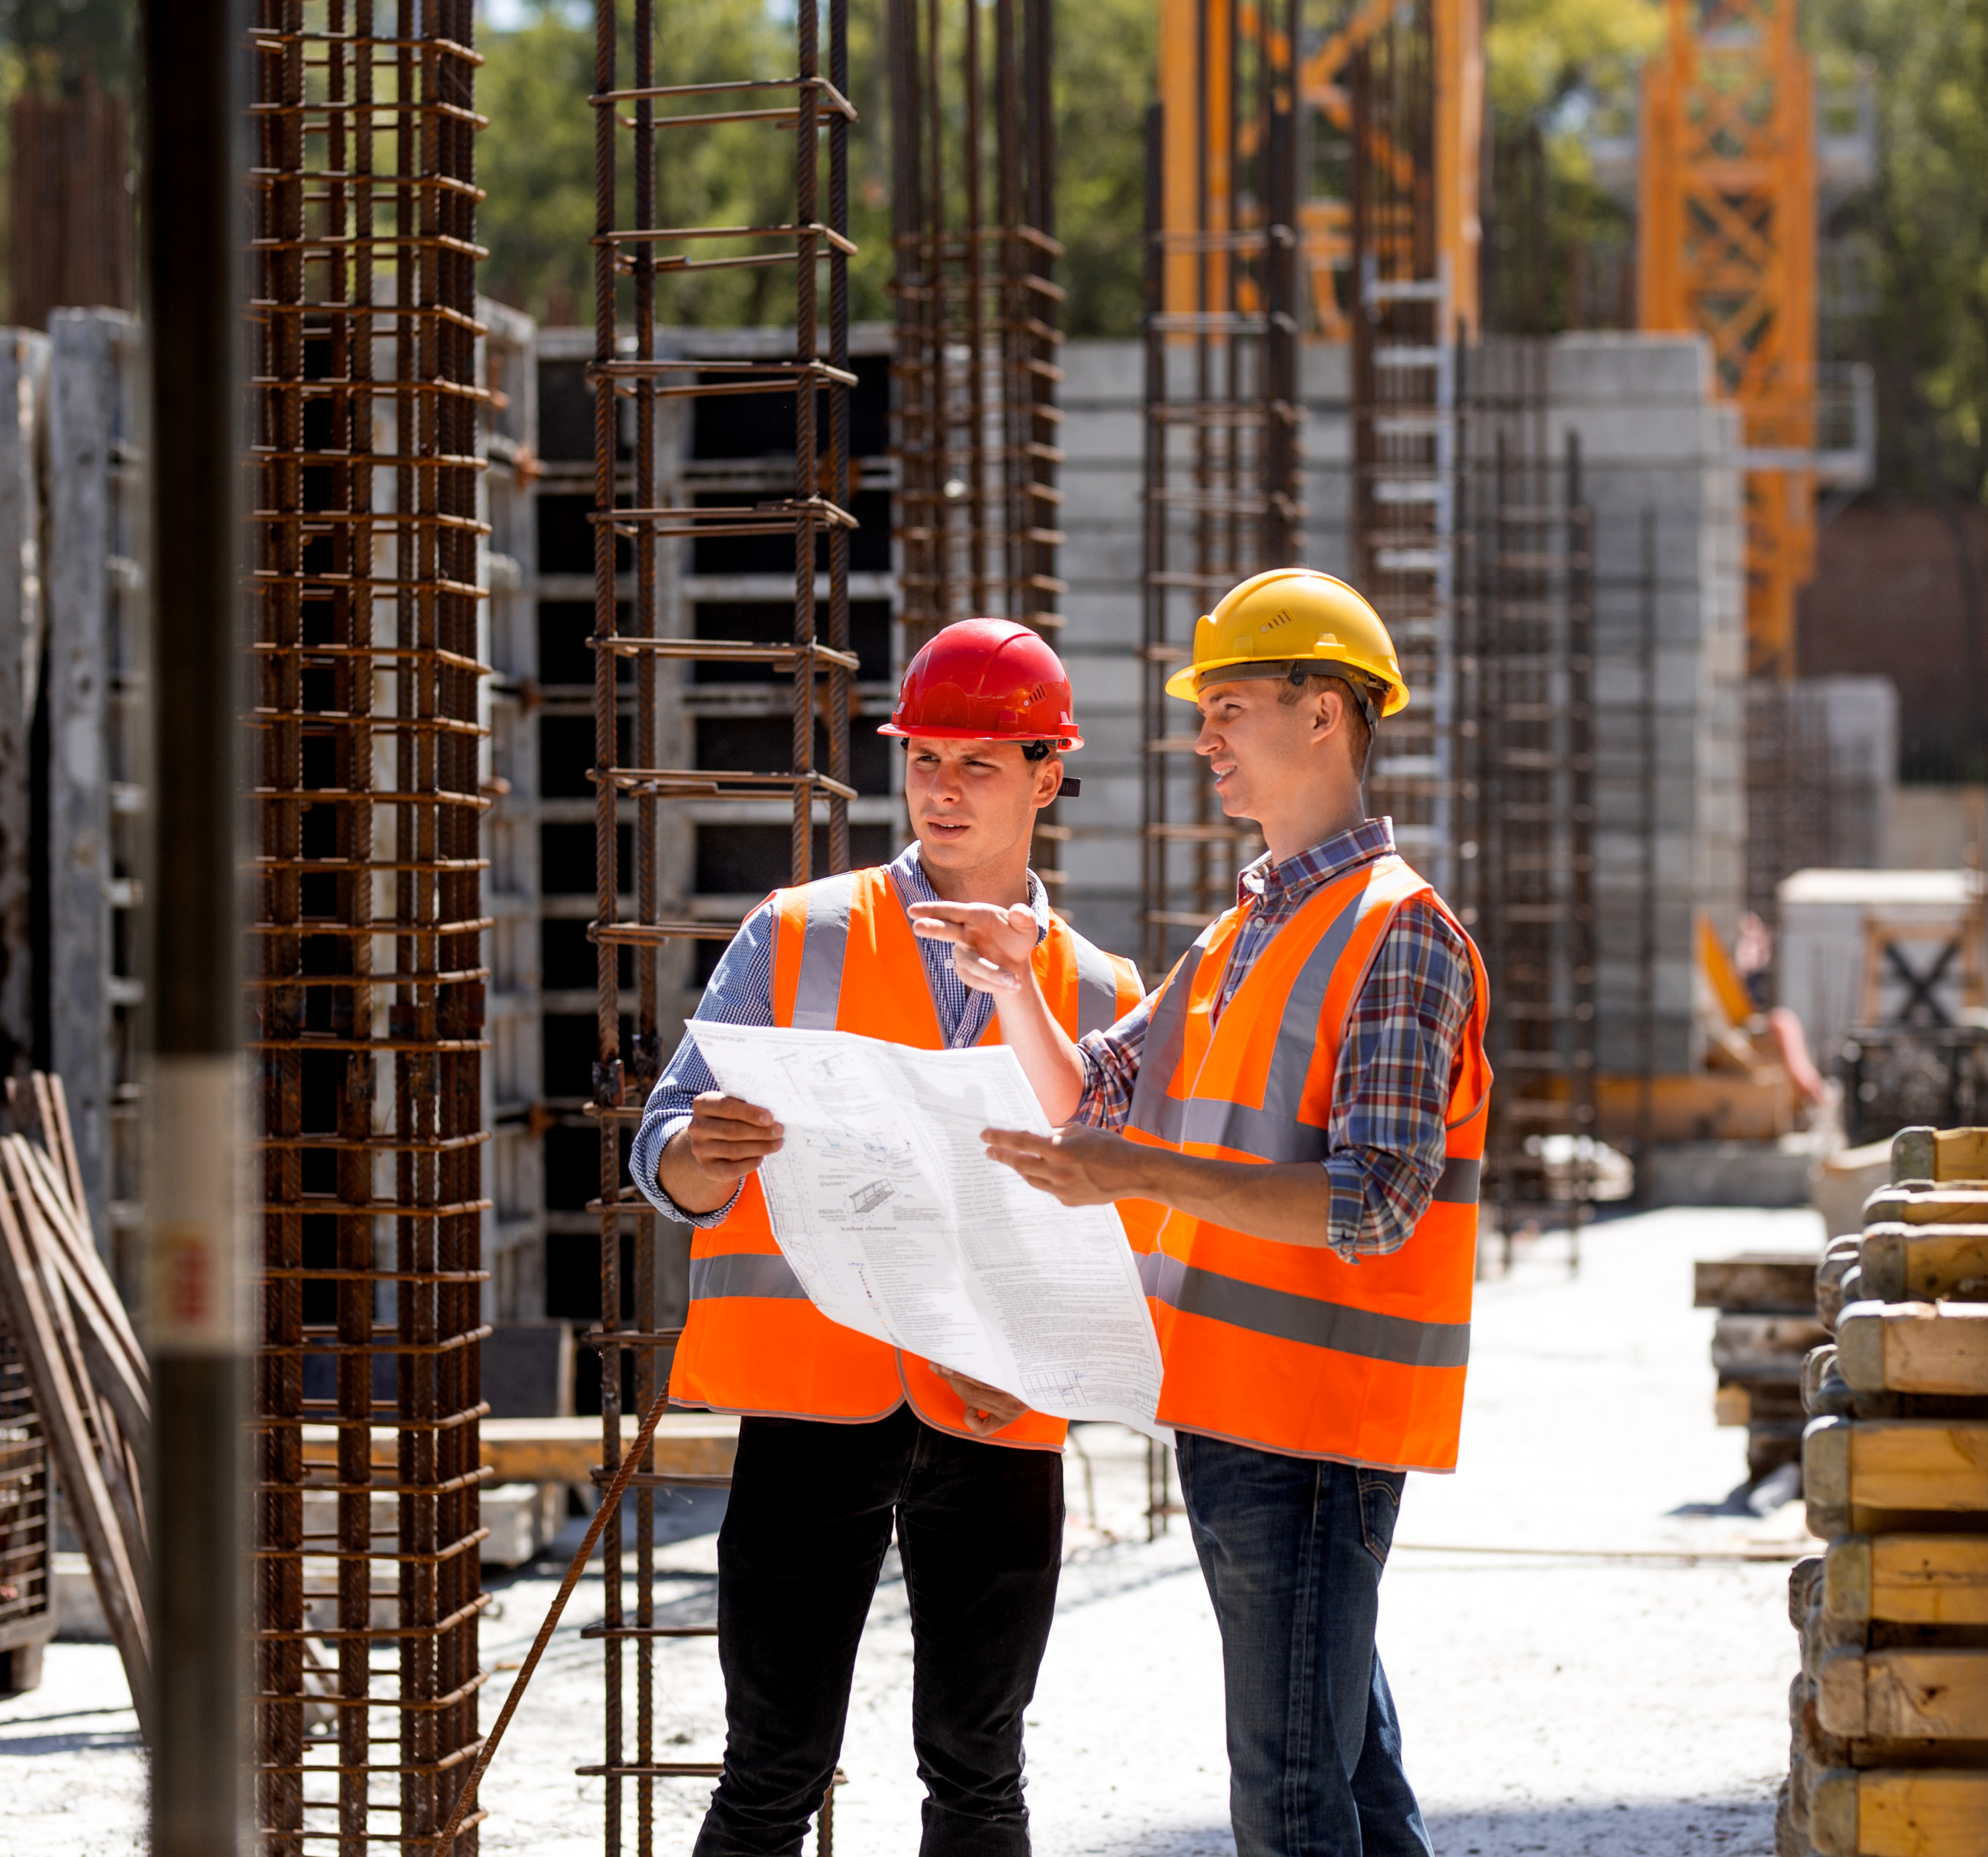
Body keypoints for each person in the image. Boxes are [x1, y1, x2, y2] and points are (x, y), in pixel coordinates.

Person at [921, 569, 1489, 1857]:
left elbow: (1378, 1200)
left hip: (1317, 1425)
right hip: (1237, 1409)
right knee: (1347, 1775)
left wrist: (1146, 1180)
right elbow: (1101, 1100)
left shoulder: (1401, 932)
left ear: (1327, 713)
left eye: (1231, 704)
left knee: (1289, 1801)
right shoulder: (1249, 926)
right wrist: (1016, 983)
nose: (1205, 734)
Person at [631, 617, 1142, 1857]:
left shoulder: (1097, 991)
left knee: (980, 1779)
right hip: (814, 1402)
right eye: (925, 759)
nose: (943, 787)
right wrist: (702, 1155)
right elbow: (664, 1148)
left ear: (1046, 774)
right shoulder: (795, 934)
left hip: (997, 1417)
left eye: (979, 762)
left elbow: (1128, 1220)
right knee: (771, 1773)